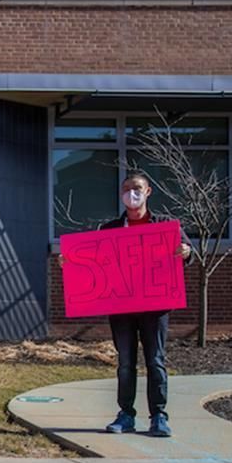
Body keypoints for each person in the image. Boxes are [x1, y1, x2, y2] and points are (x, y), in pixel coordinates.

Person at [71, 172, 191, 437]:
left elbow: (186, 252)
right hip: (122, 310)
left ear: (148, 191)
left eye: (136, 188)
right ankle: (126, 415)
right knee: (125, 362)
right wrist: (71, 263)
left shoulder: (165, 227)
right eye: (126, 189)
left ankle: (159, 416)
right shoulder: (110, 229)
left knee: (155, 361)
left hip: (155, 309)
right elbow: (95, 265)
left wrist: (186, 251)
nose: (131, 193)